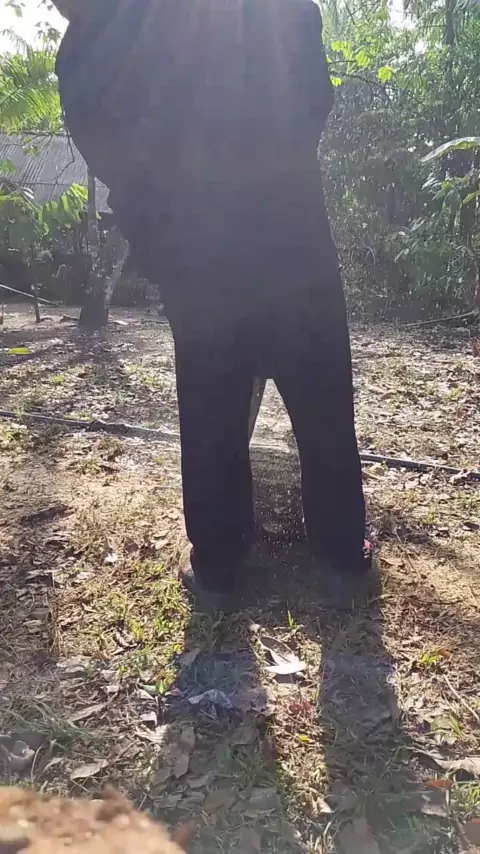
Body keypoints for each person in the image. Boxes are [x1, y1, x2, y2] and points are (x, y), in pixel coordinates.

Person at [54, 0, 370, 611]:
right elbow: (312, 88)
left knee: (210, 405)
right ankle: (341, 558)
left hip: (197, 254)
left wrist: (163, 244)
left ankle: (219, 568)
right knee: (320, 394)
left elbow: (118, 167)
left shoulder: (89, 51)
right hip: (289, 232)